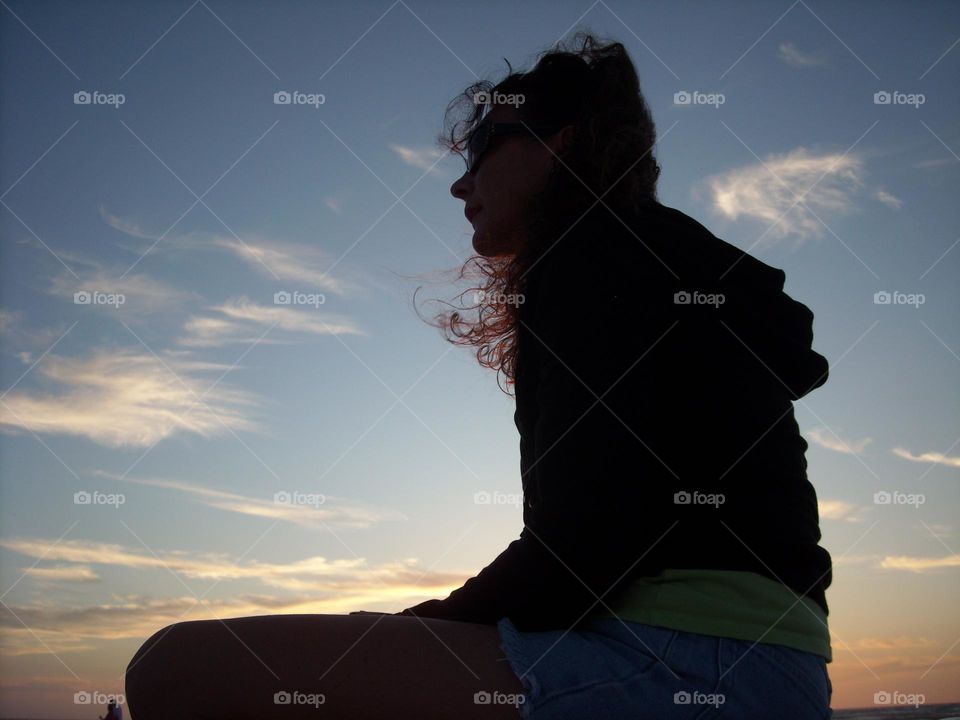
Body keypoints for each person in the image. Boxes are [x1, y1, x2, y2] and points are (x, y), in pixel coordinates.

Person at [125, 32, 833, 720]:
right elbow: (601, 538)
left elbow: (580, 549)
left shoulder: (589, 258)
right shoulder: (667, 264)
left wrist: (422, 627)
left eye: (482, 146)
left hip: (684, 661)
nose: (462, 180)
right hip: (775, 667)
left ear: (562, 140)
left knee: (176, 668)